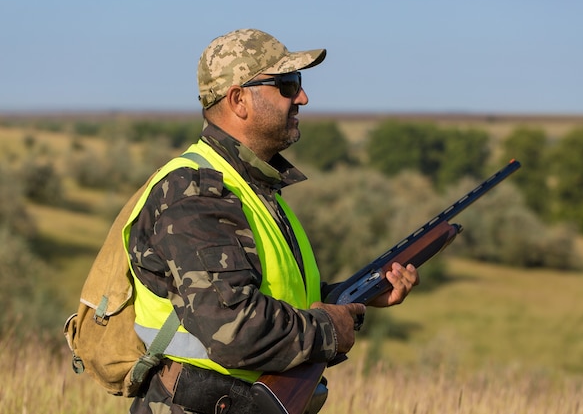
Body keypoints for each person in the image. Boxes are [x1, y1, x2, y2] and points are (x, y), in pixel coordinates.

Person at [125, 28, 419, 414]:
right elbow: (234, 328)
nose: (302, 97)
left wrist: (356, 295)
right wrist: (329, 329)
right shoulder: (195, 193)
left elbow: (267, 294)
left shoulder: (250, 186)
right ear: (238, 100)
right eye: (286, 84)